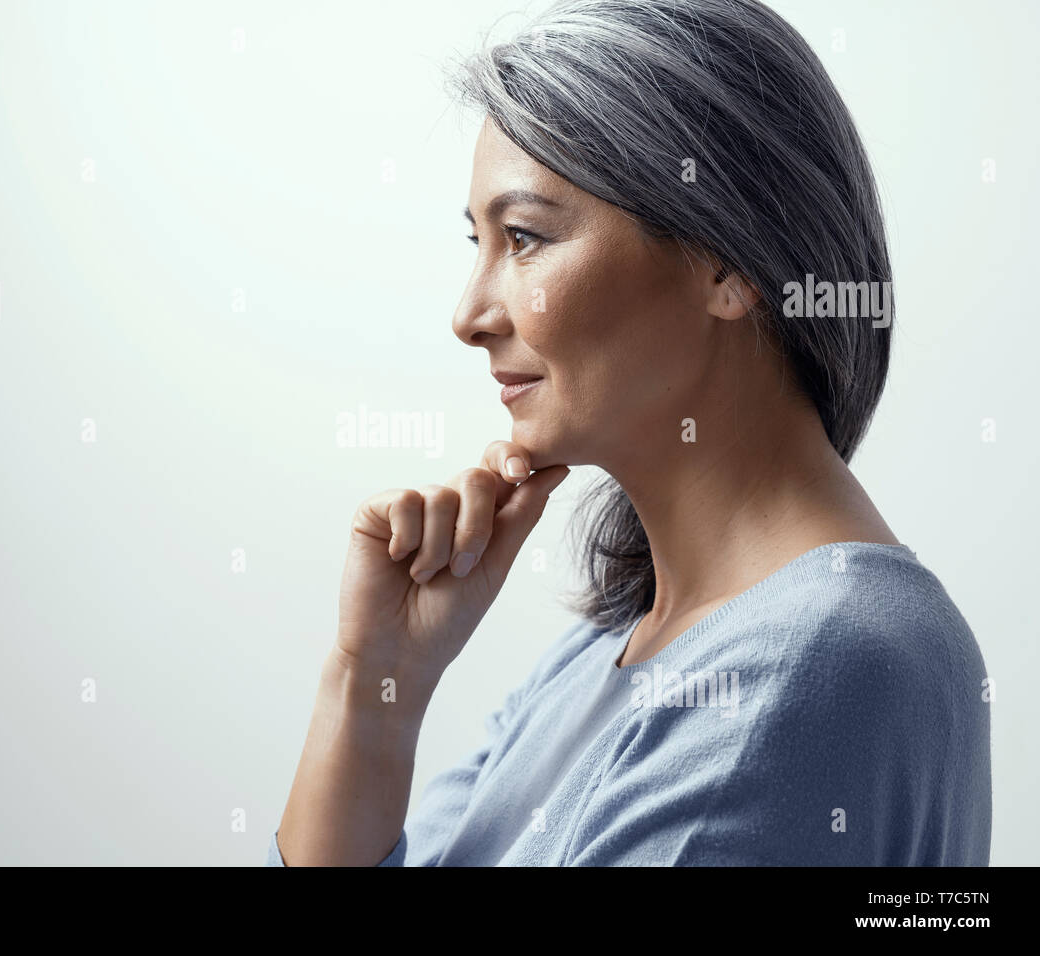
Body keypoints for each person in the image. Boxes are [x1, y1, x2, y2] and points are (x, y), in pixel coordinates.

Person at [266, 0, 991, 866]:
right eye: (479, 242)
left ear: (727, 261)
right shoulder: (607, 652)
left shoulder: (809, 664)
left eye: (525, 238)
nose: (469, 315)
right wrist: (375, 684)